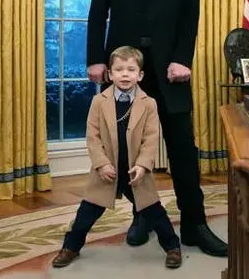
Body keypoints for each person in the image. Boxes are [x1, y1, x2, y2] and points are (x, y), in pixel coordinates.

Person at [86, 0, 227, 257]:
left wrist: (183, 59)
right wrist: (96, 58)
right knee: (129, 148)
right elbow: (98, 11)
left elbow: (190, 15)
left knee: (182, 147)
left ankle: (195, 225)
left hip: (170, 71)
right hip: (125, 71)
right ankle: (143, 216)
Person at [52, 47, 182, 269]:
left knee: (153, 211)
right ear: (110, 74)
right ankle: (71, 247)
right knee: (86, 213)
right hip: (107, 169)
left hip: (135, 171)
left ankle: (172, 247)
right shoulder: (98, 101)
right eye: (119, 70)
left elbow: (151, 139)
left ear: (140, 75)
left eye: (131, 70)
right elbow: (92, 136)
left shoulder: (149, 103)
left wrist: (143, 165)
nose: (125, 74)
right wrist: (101, 164)